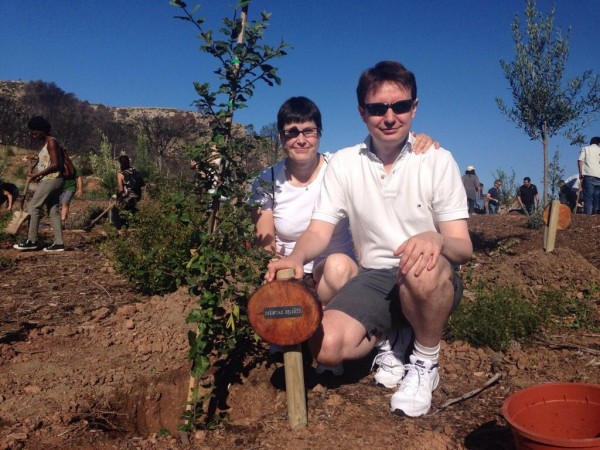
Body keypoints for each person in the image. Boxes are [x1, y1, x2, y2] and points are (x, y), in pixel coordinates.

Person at [266, 61, 472, 417]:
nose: (389, 117)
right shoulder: (345, 165)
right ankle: (397, 330)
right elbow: (318, 230)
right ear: (362, 112)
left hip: (429, 273)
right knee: (326, 348)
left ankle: (424, 362)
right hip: (375, 276)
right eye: (377, 108)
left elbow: (462, 247)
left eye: (400, 106)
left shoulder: (437, 160)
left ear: (414, 107)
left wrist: (436, 240)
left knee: (419, 270)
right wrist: (295, 258)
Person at [250, 96, 437, 379]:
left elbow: (386, 156)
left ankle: (331, 328)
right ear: (281, 136)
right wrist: (279, 263)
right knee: (283, 283)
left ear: (319, 134)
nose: (301, 139)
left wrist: (418, 141)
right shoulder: (268, 180)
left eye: (308, 131)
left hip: (332, 275)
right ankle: (306, 329)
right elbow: (265, 235)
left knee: (338, 266)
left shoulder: (340, 166)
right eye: (292, 132)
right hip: (292, 271)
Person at [13, 117, 66, 252]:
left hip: (52, 179)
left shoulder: (51, 142)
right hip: (54, 179)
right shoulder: (47, 143)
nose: (33, 135)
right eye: (31, 133)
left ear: (43, 130)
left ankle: (32, 240)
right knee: (53, 210)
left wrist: (37, 175)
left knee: (33, 206)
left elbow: (56, 164)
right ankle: (59, 243)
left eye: (35, 133)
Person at [113, 155, 144, 229]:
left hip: (128, 196)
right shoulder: (135, 170)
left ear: (121, 164)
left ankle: (118, 226)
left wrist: (118, 197)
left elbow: (120, 190)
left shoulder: (120, 174)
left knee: (116, 207)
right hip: (138, 195)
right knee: (129, 207)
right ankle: (133, 218)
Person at [577, 137, 600, 215]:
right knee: (597, 196)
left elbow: (580, 160)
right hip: (599, 175)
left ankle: (588, 215)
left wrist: (580, 172)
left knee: (588, 196)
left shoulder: (586, 149)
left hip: (589, 175)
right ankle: (596, 213)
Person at [59, 161, 83, 228]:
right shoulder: (59, 166)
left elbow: (79, 177)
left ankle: (62, 221)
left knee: (64, 203)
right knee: (63, 205)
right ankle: (65, 223)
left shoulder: (73, 167)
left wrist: (80, 189)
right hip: (60, 188)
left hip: (70, 187)